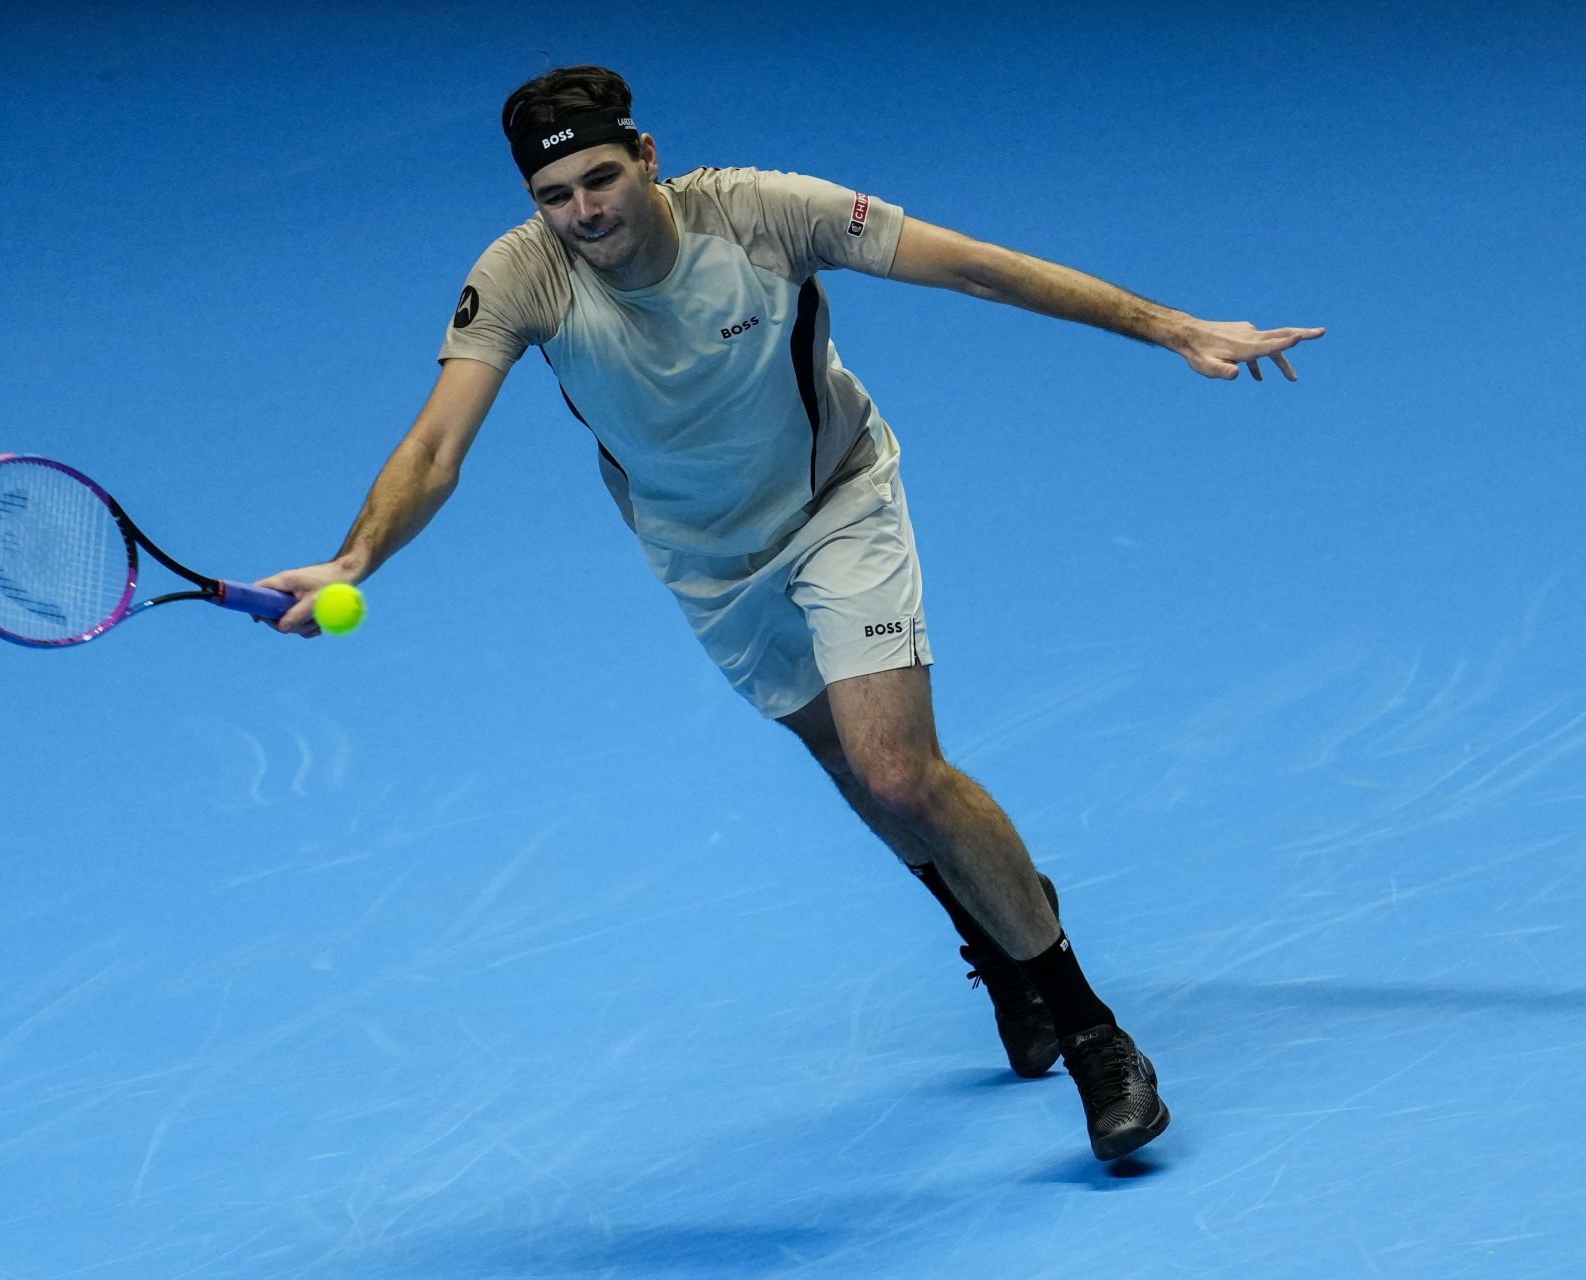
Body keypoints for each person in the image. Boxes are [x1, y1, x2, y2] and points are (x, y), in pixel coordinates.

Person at [257, 65, 1323, 1162]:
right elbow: (437, 445)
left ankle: (1094, 1030)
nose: (583, 212)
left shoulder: (763, 213)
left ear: (648, 157)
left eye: (601, 178)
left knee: (898, 769)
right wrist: (356, 557)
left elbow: (973, 266)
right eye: (554, 195)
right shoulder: (521, 275)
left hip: (834, 502)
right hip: (704, 559)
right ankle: (997, 934)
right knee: (851, 768)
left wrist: (1170, 327)